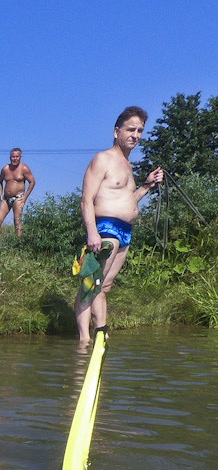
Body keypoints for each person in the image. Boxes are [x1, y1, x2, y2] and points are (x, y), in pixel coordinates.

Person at [76, 106, 164, 346]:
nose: (135, 135)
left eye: (140, 131)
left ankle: (96, 335)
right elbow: (86, 200)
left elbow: (127, 201)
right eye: (130, 129)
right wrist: (92, 232)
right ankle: (89, 338)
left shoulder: (128, 165)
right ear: (117, 131)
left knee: (104, 285)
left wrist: (146, 187)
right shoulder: (103, 159)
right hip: (106, 228)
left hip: (125, 231)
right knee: (92, 283)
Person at [0, 148, 35, 249]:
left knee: (17, 221)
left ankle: (18, 245)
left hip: (18, 198)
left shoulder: (24, 168)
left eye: (17, 156)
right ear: (10, 157)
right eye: (13, 156)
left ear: (20, 157)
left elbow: (32, 182)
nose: (15, 158)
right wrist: (0, 196)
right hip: (5, 199)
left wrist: (25, 197)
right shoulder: (5, 169)